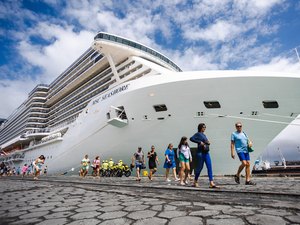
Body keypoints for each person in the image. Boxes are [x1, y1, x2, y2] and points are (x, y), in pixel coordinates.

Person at [190, 123, 218, 188]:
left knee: (209, 167)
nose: (204, 128)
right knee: (199, 168)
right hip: (200, 153)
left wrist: (208, 142)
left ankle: (211, 182)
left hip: (206, 153)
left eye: (205, 127)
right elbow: (191, 138)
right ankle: (195, 181)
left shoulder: (204, 135)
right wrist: (199, 142)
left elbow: (205, 142)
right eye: (203, 127)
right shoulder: (197, 134)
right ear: (200, 128)